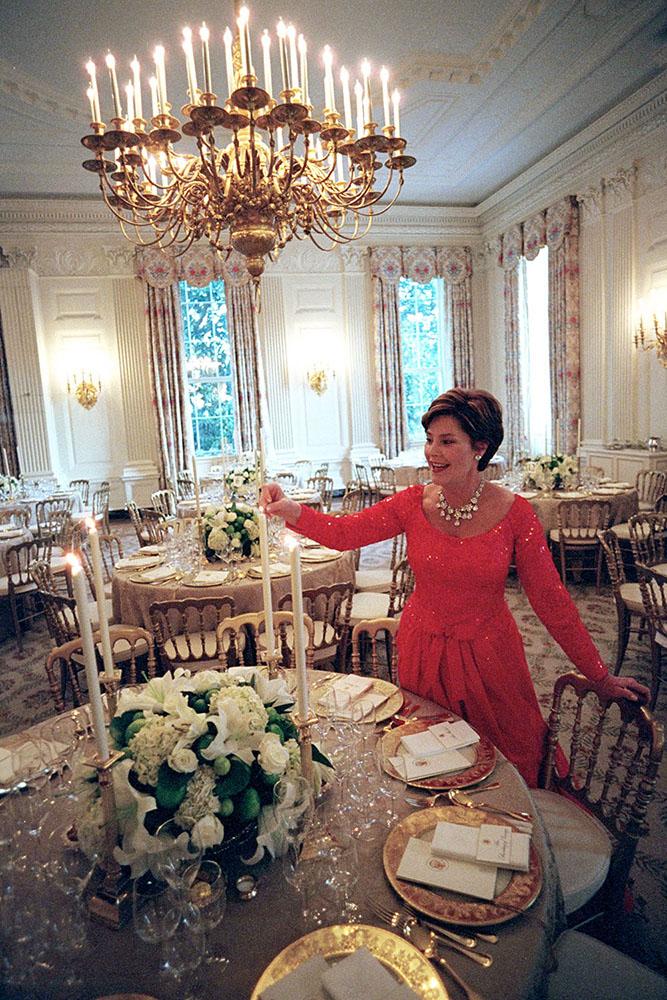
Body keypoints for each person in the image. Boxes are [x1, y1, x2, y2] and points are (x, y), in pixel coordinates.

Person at [262, 388, 649, 787]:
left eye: (447, 442)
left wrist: (599, 676)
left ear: (480, 447)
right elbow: (345, 533)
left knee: (506, 765)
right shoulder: (412, 502)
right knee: (428, 758)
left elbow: (552, 602)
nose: (432, 452)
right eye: (430, 440)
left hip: (490, 657)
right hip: (422, 651)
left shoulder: (516, 514)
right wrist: (292, 510)